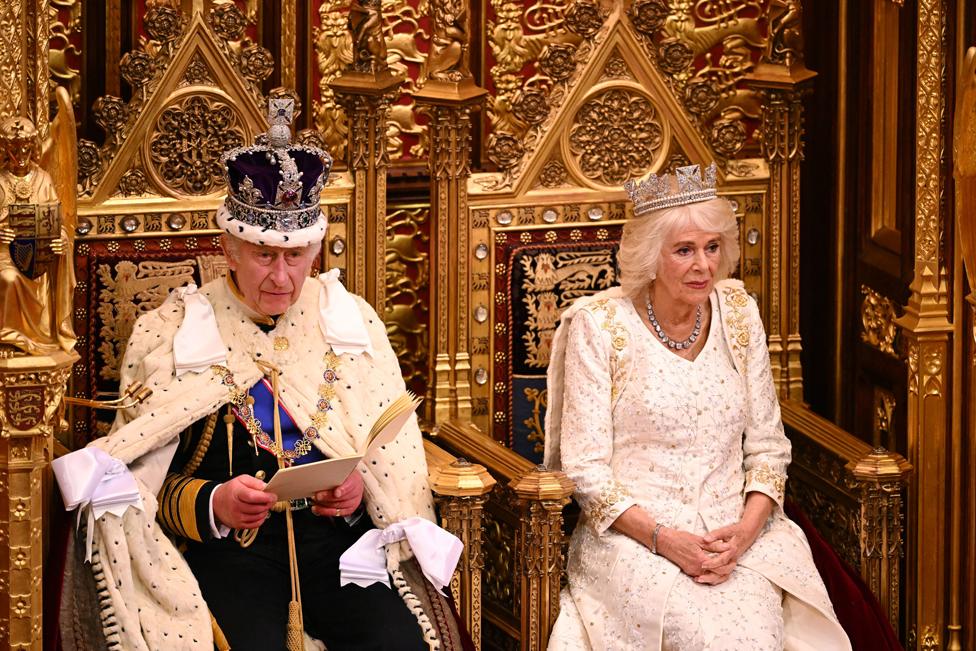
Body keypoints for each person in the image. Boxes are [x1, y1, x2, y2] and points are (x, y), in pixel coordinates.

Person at [53, 101, 469, 651]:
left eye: (296, 256)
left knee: (399, 643)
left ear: (315, 250)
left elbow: (387, 460)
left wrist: (353, 489)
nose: (281, 275)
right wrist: (215, 503)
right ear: (228, 247)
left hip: (340, 546)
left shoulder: (348, 321)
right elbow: (142, 488)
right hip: (231, 552)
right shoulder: (172, 332)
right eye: (263, 255)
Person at [544, 163, 851, 650]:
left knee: (753, 636)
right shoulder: (599, 327)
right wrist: (666, 539)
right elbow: (585, 470)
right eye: (684, 251)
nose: (703, 266)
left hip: (738, 534)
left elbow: (769, 448)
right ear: (649, 257)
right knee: (695, 634)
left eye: (712, 248)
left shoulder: (739, 313)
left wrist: (745, 534)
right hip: (635, 538)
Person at [0, 116, 75, 355]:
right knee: (9, 279)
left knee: (39, 275)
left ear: (33, 148)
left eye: (26, 148)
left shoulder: (43, 178)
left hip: (36, 259)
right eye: (14, 149)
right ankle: (8, 339)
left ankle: (40, 336)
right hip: (3, 256)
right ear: (5, 149)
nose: (21, 154)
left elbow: (56, 222)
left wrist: (61, 239)